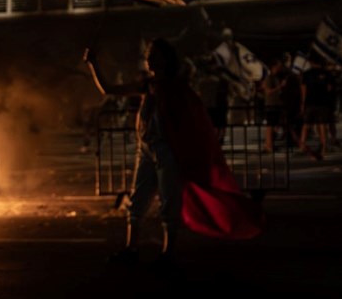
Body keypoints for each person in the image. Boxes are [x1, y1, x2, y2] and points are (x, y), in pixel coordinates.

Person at [83, 38, 263, 268]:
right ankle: (132, 247)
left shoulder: (177, 87)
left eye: (154, 54)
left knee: (169, 202)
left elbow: (189, 121)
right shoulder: (147, 85)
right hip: (146, 149)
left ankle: (168, 252)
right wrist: (93, 64)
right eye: (149, 54)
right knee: (137, 201)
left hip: (167, 151)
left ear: (166, 60)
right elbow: (109, 89)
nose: (149, 58)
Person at [296, 53, 334, 161]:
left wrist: (302, 103)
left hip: (310, 102)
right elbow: (329, 88)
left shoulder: (307, 74)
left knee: (306, 125)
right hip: (323, 102)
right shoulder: (327, 73)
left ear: (311, 62)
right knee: (322, 125)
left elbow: (303, 89)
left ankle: (302, 146)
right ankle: (324, 147)